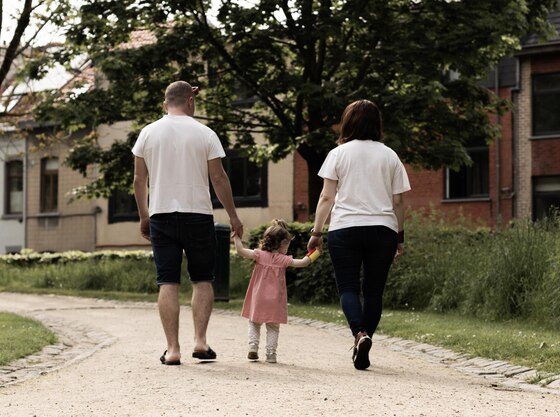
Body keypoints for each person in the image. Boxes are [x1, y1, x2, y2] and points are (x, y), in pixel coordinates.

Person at [133, 80, 243, 366]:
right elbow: (219, 179)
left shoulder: (147, 133)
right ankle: (201, 342)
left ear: (165, 103)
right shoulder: (205, 133)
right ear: (190, 101)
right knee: (202, 279)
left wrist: (144, 216)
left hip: (161, 215)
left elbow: (139, 180)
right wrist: (233, 216)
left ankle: (172, 350)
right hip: (198, 215)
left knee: (167, 281)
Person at [307, 99, 411, 370]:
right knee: (374, 292)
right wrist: (399, 237)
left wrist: (317, 232)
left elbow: (327, 196)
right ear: (377, 124)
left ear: (347, 122)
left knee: (348, 288)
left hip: (345, 229)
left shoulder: (338, 154)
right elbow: (398, 202)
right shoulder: (390, 155)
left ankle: (359, 335)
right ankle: (363, 341)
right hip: (383, 230)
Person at [232, 219, 318, 363]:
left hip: (258, 297)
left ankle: (253, 347)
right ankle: (271, 354)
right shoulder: (283, 259)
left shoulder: (259, 255)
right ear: (283, 243)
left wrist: (235, 236)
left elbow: (240, 250)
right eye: (288, 244)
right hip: (275, 300)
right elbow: (304, 262)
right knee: (273, 327)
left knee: (254, 322)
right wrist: (316, 252)